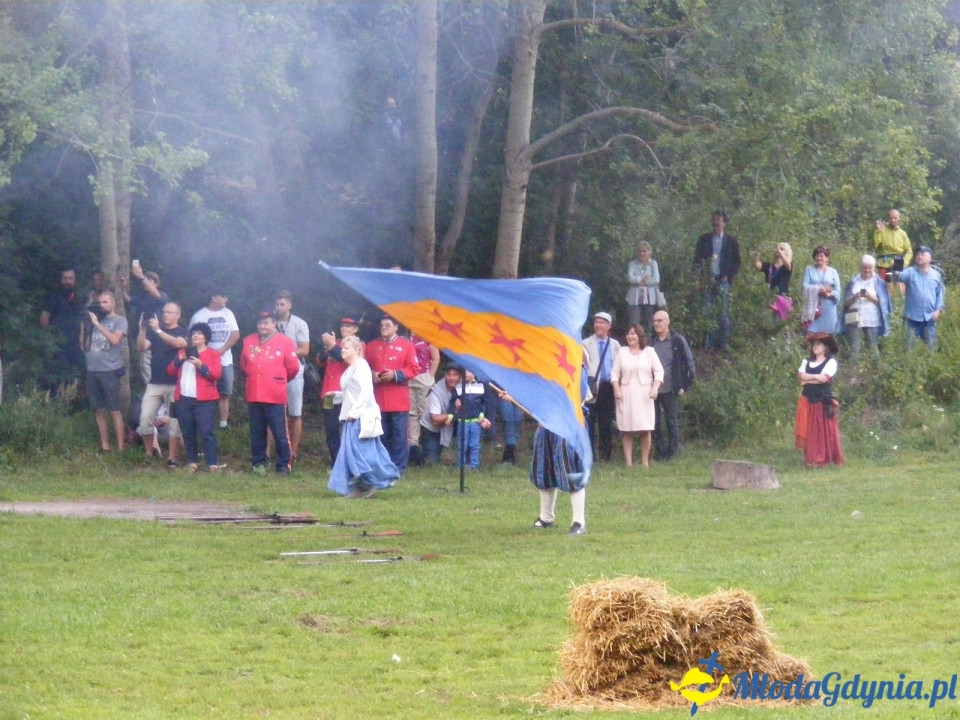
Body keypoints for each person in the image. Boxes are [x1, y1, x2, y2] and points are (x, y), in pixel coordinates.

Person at [524, 351, 591, 535]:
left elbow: (578, 396)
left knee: (572, 470)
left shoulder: (577, 369)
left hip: (569, 425)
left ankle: (579, 522)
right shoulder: (545, 369)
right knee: (544, 469)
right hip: (547, 424)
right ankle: (546, 518)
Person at [328, 335, 400, 498]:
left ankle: (374, 481)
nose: (343, 350)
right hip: (350, 416)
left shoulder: (361, 366)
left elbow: (366, 391)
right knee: (353, 452)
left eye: (346, 348)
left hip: (359, 417)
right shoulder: (350, 368)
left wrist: (355, 412)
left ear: (357, 350)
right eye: (343, 347)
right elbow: (352, 392)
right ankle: (363, 485)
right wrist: (337, 396)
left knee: (360, 453)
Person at [240, 308, 300, 476]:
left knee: (280, 432)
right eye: (260, 323)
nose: (262, 326)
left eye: (266, 323)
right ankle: (258, 463)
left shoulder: (285, 342)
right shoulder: (248, 340)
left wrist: (276, 379)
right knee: (257, 431)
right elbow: (244, 364)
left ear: (274, 323)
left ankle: (283, 465)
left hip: (274, 393)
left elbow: (293, 368)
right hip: (254, 392)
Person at [136, 301, 187, 468]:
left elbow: (178, 344)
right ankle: (149, 454)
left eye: (170, 312)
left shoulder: (182, 331)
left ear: (177, 315)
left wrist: (158, 330)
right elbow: (141, 347)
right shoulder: (153, 333)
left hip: (174, 384)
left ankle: (172, 458)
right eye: (164, 312)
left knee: (174, 424)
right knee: (144, 419)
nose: (165, 314)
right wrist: (143, 329)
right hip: (154, 383)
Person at [366, 315, 418, 474]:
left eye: (388, 325)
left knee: (399, 435)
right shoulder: (372, 345)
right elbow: (364, 366)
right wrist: (372, 374)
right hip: (379, 397)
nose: (384, 328)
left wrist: (395, 374)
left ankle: (399, 467)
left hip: (398, 398)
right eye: (382, 325)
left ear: (396, 327)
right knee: (382, 434)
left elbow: (414, 368)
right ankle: (383, 465)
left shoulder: (406, 345)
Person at [168, 322, 222, 473]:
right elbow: (170, 371)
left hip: (205, 400)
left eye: (199, 333)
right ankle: (193, 462)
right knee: (188, 431)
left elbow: (216, 375)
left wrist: (201, 365)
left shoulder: (213, 354)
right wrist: (180, 359)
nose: (196, 336)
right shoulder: (183, 352)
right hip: (184, 399)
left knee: (206, 431)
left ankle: (212, 463)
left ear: (206, 337)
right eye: (194, 333)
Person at [80, 291, 127, 452]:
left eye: (105, 302)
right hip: (92, 370)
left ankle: (121, 448)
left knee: (114, 409)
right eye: (100, 303)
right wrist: (86, 326)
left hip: (110, 371)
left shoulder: (119, 321)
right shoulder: (94, 322)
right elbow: (84, 347)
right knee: (99, 409)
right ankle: (105, 446)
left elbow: (115, 340)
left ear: (113, 303)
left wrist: (98, 325)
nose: (102, 305)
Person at [612, 324, 664, 468]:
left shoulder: (649, 352)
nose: (630, 336)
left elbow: (659, 372)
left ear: (640, 336)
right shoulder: (622, 352)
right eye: (628, 334)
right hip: (626, 392)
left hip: (645, 394)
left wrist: (655, 388)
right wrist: (617, 389)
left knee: (645, 428)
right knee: (627, 429)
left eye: (633, 334)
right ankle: (628, 462)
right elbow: (615, 373)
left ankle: (644, 461)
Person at [317, 317, 364, 466]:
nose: (344, 329)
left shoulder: (360, 345)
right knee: (331, 428)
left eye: (348, 326)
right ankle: (335, 462)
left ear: (355, 329)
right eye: (343, 326)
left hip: (346, 393)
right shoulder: (335, 343)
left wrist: (333, 347)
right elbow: (319, 362)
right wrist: (327, 348)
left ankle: (350, 461)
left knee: (348, 428)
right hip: (329, 393)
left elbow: (349, 360)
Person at [190, 291, 240, 428]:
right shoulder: (199, 316)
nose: (226, 299)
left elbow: (235, 334)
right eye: (223, 296)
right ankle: (206, 421)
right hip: (204, 361)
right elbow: (192, 338)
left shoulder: (228, 313)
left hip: (225, 361)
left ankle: (223, 423)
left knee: (225, 392)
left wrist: (221, 351)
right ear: (213, 297)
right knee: (204, 391)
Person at [650, 311, 695, 460]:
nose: (657, 323)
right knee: (654, 422)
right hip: (653, 389)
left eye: (660, 320)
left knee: (672, 421)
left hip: (671, 388)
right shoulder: (651, 342)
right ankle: (660, 452)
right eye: (655, 321)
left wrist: (684, 386)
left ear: (667, 322)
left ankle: (673, 452)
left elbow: (689, 365)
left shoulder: (677, 340)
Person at [693, 211, 741, 351]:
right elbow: (697, 259)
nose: (715, 223)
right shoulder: (704, 239)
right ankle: (708, 345)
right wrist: (698, 278)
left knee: (723, 313)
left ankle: (722, 345)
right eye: (714, 220)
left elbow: (737, 261)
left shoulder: (731, 241)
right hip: (707, 279)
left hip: (723, 281)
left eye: (719, 220)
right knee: (707, 312)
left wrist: (729, 275)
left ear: (724, 223)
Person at [795, 332, 843, 467]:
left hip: (822, 401)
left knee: (822, 431)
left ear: (825, 347)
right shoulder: (806, 362)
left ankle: (822, 458)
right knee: (809, 429)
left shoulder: (831, 362)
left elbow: (825, 379)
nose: (815, 347)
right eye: (814, 344)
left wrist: (808, 379)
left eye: (819, 344)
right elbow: (801, 377)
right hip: (808, 400)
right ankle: (811, 459)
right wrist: (816, 377)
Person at [274, 290, 310, 463]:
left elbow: (305, 349)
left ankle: (292, 452)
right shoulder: (269, 323)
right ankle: (269, 452)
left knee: (295, 412)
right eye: (277, 304)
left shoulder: (299, 323)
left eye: (282, 304)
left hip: (294, 371)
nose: (279, 307)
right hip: (273, 372)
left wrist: (284, 353)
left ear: (289, 305)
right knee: (272, 412)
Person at [581, 311, 621, 462]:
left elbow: (619, 365)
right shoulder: (585, 343)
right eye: (596, 322)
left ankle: (606, 455)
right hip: (591, 387)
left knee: (606, 423)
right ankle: (590, 456)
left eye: (602, 322)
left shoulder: (615, 344)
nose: (599, 325)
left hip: (608, 387)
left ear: (609, 326)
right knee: (589, 423)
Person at [121, 264, 170, 384]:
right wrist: (122, 286)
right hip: (145, 340)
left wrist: (142, 276)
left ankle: (163, 400)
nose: (145, 282)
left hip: (160, 341)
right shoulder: (142, 297)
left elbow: (157, 296)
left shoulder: (163, 296)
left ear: (156, 283)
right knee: (147, 372)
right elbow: (128, 299)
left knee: (162, 371)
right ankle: (152, 397)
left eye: (149, 280)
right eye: (145, 280)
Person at [39, 268, 84, 389]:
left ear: (75, 280)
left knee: (75, 375)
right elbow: (44, 318)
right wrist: (51, 340)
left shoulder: (78, 297)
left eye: (70, 278)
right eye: (65, 278)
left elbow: (82, 320)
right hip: (58, 345)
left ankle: (72, 403)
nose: (67, 281)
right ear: (61, 279)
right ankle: (56, 403)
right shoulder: (53, 296)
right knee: (58, 376)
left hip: (75, 344)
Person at [841, 255, 892, 361]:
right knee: (854, 348)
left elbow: (884, 304)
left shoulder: (879, 283)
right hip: (853, 317)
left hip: (872, 318)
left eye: (870, 267)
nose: (867, 270)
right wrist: (854, 298)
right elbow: (845, 304)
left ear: (874, 268)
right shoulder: (853, 281)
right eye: (864, 267)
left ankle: (876, 372)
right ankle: (852, 374)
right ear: (860, 267)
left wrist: (869, 296)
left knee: (873, 348)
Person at [898, 245, 945, 349]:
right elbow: (898, 276)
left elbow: (939, 294)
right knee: (907, 349)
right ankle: (908, 365)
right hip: (911, 319)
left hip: (929, 318)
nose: (919, 256)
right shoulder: (909, 272)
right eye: (918, 254)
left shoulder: (936, 275)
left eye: (922, 254)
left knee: (931, 348)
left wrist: (938, 310)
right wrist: (898, 262)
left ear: (930, 258)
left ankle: (930, 365)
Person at [418, 364, 462, 466]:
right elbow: (435, 420)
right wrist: (455, 412)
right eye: (449, 374)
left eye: (455, 375)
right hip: (433, 428)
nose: (451, 378)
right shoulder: (436, 391)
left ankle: (465, 463)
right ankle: (415, 454)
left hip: (453, 424)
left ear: (460, 376)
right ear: (445, 375)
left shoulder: (465, 388)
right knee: (430, 463)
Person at [407, 332, 440, 467]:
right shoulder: (407, 339)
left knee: (425, 413)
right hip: (410, 378)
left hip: (423, 378)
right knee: (412, 413)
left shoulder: (428, 338)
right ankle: (413, 447)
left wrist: (429, 376)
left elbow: (436, 358)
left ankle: (429, 450)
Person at [448, 369, 492, 470]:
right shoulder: (458, 387)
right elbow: (452, 402)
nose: (466, 374)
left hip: (476, 422)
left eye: (469, 371)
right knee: (462, 444)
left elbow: (484, 402)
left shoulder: (481, 386)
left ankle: (474, 465)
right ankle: (461, 466)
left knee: (474, 444)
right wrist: (450, 415)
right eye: (464, 371)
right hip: (462, 421)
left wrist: (482, 414)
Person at [800, 246, 841, 335]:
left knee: (827, 336)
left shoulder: (833, 272)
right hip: (813, 306)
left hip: (829, 307)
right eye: (817, 256)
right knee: (810, 333)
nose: (819, 258)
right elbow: (804, 287)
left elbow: (838, 291)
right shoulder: (809, 269)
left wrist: (828, 294)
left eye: (822, 256)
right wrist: (819, 289)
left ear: (827, 258)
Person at [753, 242, 794, 320]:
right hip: (770, 298)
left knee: (779, 323)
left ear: (787, 252)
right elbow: (756, 265)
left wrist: (781, 254)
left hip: (782, 299)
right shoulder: (769, 266)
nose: (778, 251)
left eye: (781, 249)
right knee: (768, 322)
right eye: (777, 249)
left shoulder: (787, 266)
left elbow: (788, 265)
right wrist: (757, 254)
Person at [625, 242, 661, 329]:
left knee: (648, 324)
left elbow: (656, 279)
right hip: (634, 299)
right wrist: (641, 279)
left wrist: (641, 282)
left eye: (644, 251)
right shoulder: (632, 264)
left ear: (649, 252)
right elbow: (630, 278)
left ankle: (647, 342)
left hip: (649, 299)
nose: (642, 253)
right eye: (640, 251)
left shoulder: (653, 264)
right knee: (634, 324)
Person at [873, 209, 913, 280]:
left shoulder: (902, 233)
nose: (893, 220)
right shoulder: (882, 230)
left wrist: (904, 262)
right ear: (888, 219)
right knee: (882, 286)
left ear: (899, 218)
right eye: (891, 218)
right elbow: (874, 245)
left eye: (895, 218)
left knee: (897, 287)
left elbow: (909, 251)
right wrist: (878, 231)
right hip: (883, 263)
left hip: (898, 262)